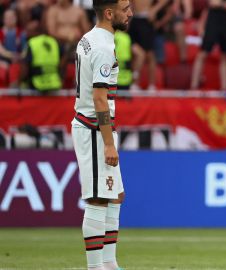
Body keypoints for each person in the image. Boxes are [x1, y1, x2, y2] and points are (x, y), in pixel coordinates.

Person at [71, 0, 132, 269]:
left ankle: (110, 263)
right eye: (126, 8)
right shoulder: (104, 47)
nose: (130, 13)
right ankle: (96, 267)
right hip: (94, 130)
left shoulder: (89, 38)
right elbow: (99, 100)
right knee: (97, 199)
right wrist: (108, 144)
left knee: (116, 195)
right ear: (109, 13)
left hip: (96, 128)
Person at [190, 0, 226, 91]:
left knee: (225, 56)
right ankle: (193, 86)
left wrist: (221, 4)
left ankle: (224, 89)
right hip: (213, 23)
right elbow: (212, 3)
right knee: (202, 53)